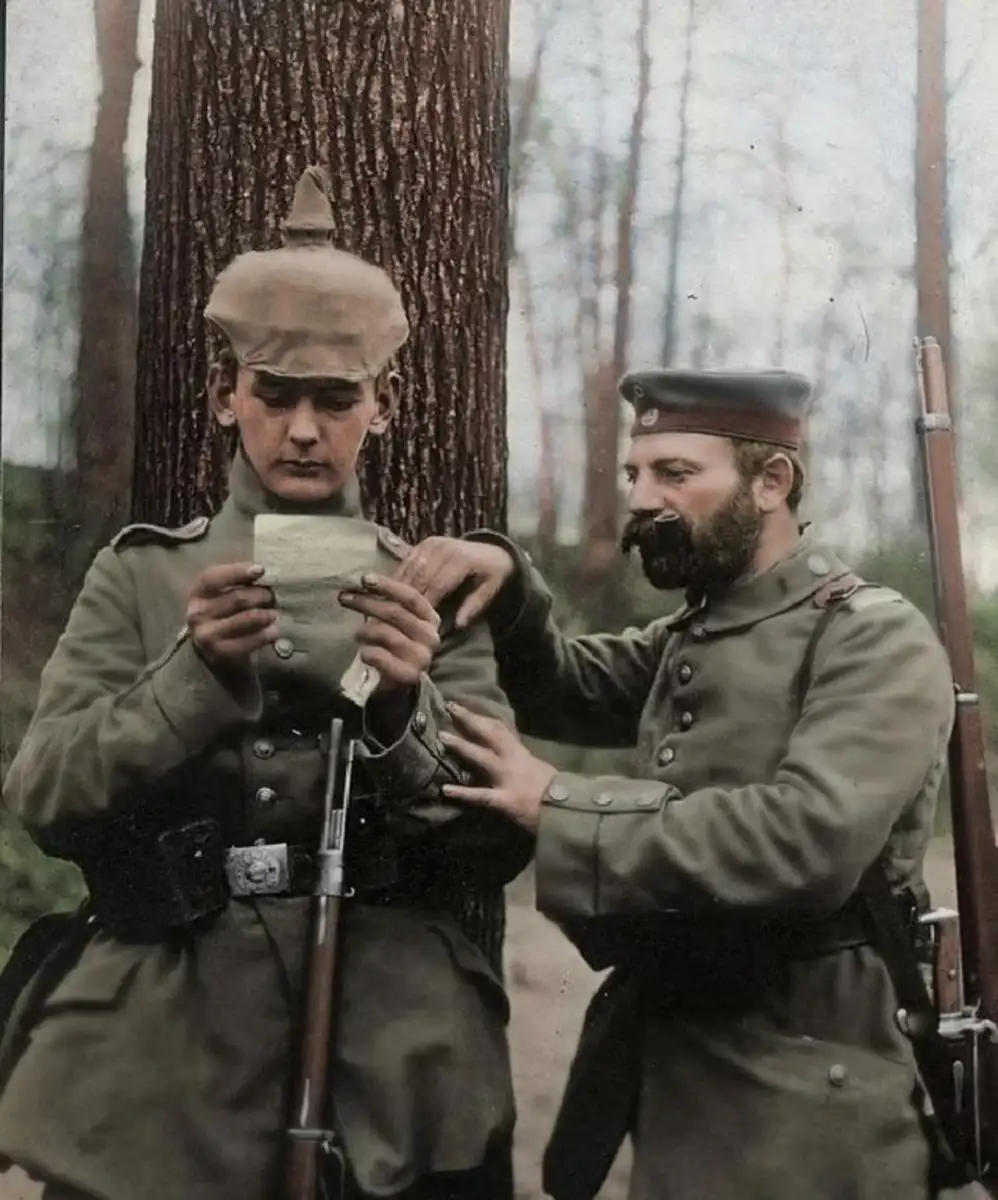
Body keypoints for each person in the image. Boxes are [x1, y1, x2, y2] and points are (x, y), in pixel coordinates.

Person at [0, 166, 531, 1200]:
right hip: (170, 1036)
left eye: (335, 401)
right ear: (221, 394)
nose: (300, 432)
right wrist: (189, 676)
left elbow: (499, 839)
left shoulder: (427, 587)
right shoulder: (144, 572)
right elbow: (43, 797)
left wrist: (398, 702)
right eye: (273, 395)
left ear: (384, 406)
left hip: (388, 1040)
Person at [394, 367, 960, 1200]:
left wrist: (556, 800)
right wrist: (509, 585)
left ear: (772, 482)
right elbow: (565, 684)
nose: (641, 497)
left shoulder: (870, 636)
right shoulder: (702, 628)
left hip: (807, 1082)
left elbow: (808, 838)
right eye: (636, 473)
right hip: (677, 1061)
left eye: (675, 474)